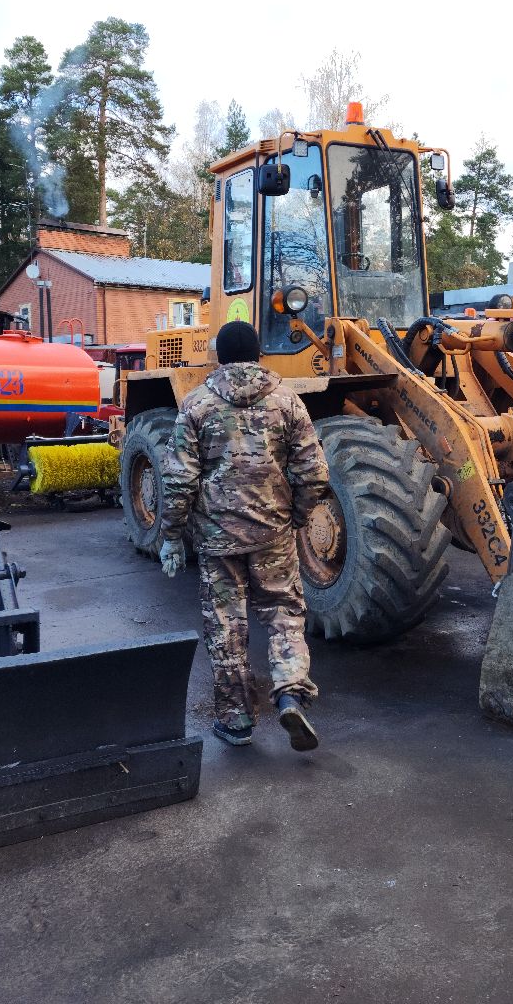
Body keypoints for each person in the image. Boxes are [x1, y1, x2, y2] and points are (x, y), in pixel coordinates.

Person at [158, 320, 330, 751]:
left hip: (218, 540)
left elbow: (179, 480)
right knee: (283, 613)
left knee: (227, 626)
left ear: (218, 355)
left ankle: (236, 722)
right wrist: (300, 517)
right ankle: (290, 693)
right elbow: (314, 472)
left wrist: (172, 536)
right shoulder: (288, 402)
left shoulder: (196, 405)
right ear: (258, 354)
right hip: (273, 533)